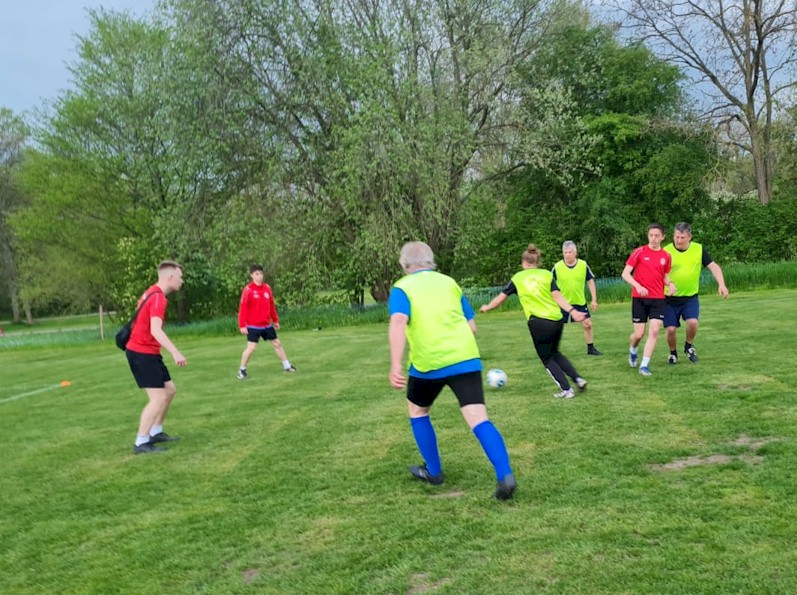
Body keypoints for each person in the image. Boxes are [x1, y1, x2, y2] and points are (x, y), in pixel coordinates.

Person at [389, 241, 516, 500]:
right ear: (431, 261)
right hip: (466, 357)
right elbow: (472, 327)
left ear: (404, 265)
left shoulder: (402, 288)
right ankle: (505, 475)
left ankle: (434, 472)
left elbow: (399, 322)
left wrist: (395, 364)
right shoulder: (449, 283)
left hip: (429, 363)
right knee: (479, 418)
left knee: (418, 410)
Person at [480, 244, 588, 399]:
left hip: (538, 322)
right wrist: (572, 311)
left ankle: (566, 389)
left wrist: (487, 307)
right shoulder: (546, 275)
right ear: (537, 262)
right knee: (555, 353)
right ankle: (578, 379)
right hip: (557, 320)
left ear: (524, 263)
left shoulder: (518, 278)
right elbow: (557, 296)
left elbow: (501, 298)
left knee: (546, 358)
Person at [125, 261, 187, 454]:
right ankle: (141, 442)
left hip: (148, 352)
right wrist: (175, 352)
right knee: (158, 398)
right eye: (180, 277)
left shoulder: (151, 292)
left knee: (169, 391)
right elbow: (155, 329)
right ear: (170, 277)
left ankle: (156, 431)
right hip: (141, 353)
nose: (182, 281)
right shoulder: (159, 298)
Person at [663, 222, 729, 364]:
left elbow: (714, 267)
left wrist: (721, 284)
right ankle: (673, 353)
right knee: (670, 329)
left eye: (682, 237)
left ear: (689, 237)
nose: (679, 241)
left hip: (690, 297)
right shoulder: (666, 251)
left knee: (693, 322)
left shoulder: (698, 250)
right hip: (669, 298)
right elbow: (659, 274)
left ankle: (688, 346)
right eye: (676, 237)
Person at [621, 223, 676, 377]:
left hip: (658, 298)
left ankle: (644, 365)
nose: (653, 238)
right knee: (639, 334)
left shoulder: (666, 256)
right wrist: (637, 286)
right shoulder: (639, 252)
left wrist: (670, 284)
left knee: (655, 330)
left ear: (663, 237)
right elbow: (625, 274)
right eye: (651, 235)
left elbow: (664, 276)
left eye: (657, 236)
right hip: (639, 298)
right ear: (648, 236)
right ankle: (633, 350)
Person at [237, 264, 295, 379]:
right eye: (256, 274)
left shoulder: (267, 288)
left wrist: (275, 320)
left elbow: (271, 305)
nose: (259, 276)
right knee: (251, 348)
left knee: (277, 343)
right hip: (253, 325)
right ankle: (241, 370)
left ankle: (287, 366)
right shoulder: (248, 290)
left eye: (261, 274)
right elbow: (242, 308)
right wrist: (242, 325)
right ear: (252, 276)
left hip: (266, 325)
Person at [552, 240, 602, 356]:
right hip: (562, 303)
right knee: (556, 327)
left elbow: (590, 281)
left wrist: (594, 299)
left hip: (579, 302)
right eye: (565, 252)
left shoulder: (583, 265)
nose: (567, 255)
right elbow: (549, 283)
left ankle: (591, 349)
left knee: (587, 324)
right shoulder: (557, 267)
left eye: (570, 252)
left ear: (575, 253)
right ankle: (552, 350)